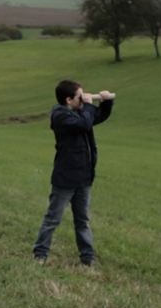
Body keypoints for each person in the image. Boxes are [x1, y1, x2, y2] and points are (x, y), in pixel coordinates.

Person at [32, 79, 115, 266]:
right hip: (65, 177)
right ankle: (40, 254)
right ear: (68, 100)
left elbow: (97, 117)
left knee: (83, 221)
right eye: (79, 96)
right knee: (53, 219)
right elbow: (84, 124)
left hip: (84, 178)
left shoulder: (79, 113)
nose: (83, 98)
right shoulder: (60, 116)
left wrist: (106, 102)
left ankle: (87, 258)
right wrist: (87, 105)